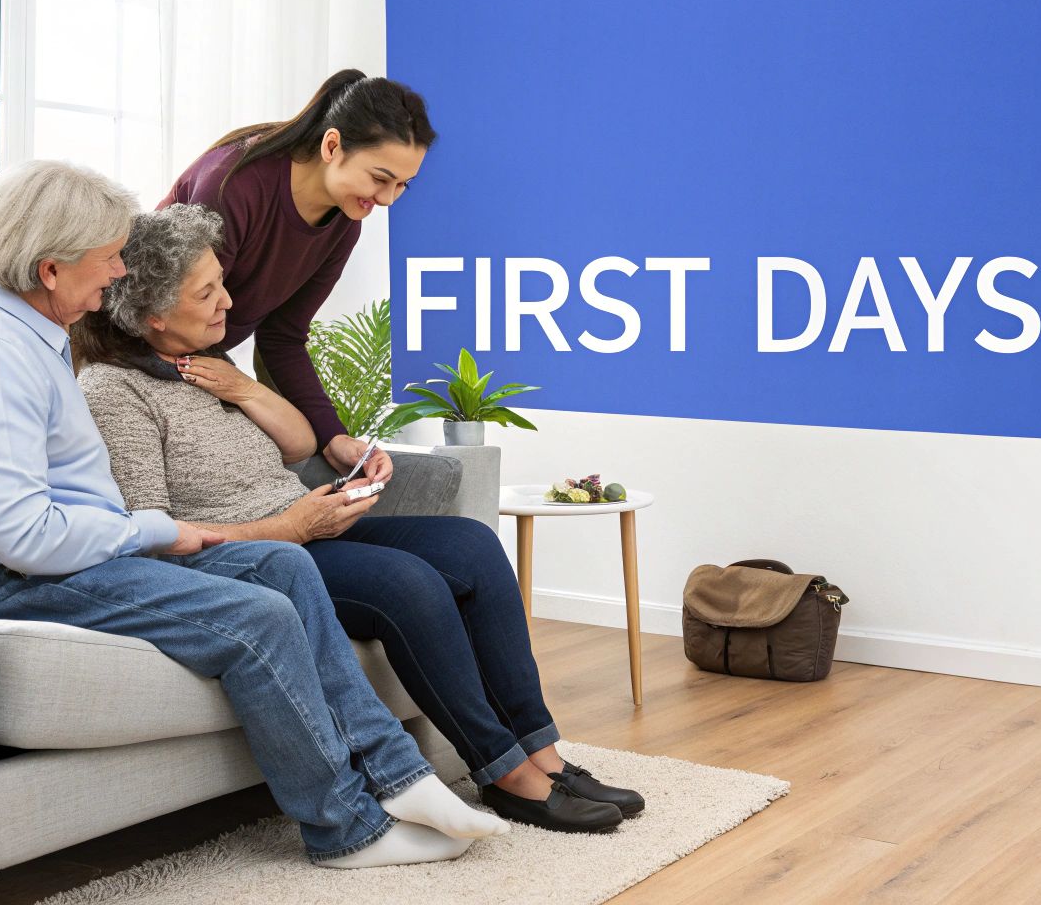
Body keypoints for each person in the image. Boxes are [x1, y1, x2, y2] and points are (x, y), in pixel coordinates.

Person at [0, 160, 508, 868]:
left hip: (69, 556)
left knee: (282, 564)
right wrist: (156, 531)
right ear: (50, 269)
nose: (117, 270)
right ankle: (345, 830)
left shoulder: (25, 330)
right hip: (14, 576)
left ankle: (400, 775)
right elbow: (23, 536)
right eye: (106, 258)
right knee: (260, 618)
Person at [71, 203, 644, 833]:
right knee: (408, 584)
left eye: (222, 283)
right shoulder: (113, 391)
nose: (229, 302)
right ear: (151, 314)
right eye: (207, 292)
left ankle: (544, 753)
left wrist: (245, 390)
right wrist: (290, 529)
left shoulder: (211, 365)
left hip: (306, 526)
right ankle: (506, 774)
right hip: (252, 557)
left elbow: (295, 447)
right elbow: (150, 534)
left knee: (472, 544)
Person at [159, 68, 431, 494]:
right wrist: (242, 393)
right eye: (380, 178)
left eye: (403, 186)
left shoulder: (344, 223)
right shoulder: (235, 184)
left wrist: (333, 435)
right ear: (332, 145)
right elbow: (181, 316)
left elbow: (282, 336)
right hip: (144, 355)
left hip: (196, 362)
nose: (387, 199)